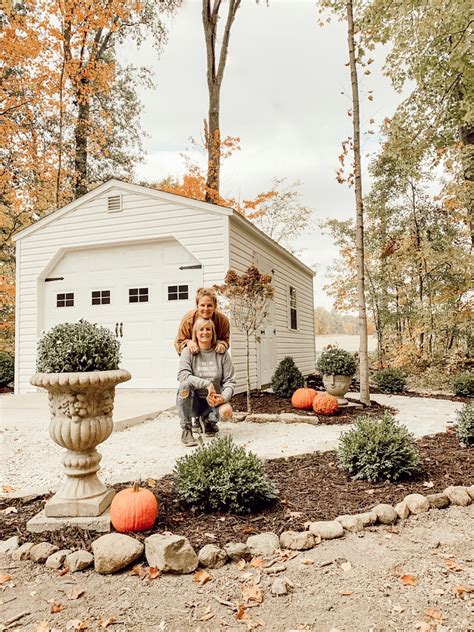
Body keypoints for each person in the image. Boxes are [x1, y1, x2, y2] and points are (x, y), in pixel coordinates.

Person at [177, 317, 235, 447]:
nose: (205, 332)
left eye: (208, 329)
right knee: (184, 386)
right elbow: (182, 375)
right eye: (201, 329)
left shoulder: (222, 353)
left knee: (227, 411)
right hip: (194, 401)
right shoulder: (188, 352)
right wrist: (207, 384)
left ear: (213, 332)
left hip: (213, 401)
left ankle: (208, 421)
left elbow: (230, 381)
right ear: (195, 333)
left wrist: (223, 397)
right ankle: (187, 430)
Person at [174, 287, 230, 355]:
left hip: (215, 358)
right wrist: (188, 343)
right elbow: (178, 343)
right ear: (197, 306)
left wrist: (222, 344)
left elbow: (226, 341)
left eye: (209, 305)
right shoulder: (188, 320)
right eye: (202, 305)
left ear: (215, 306)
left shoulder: (223, 321)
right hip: (193, 357)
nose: (206, 309)